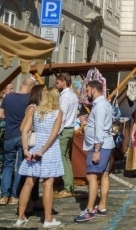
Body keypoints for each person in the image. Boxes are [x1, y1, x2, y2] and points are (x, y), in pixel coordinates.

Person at [15, 87, 64, 228]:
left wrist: (25, 149)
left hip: (35, 147)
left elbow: (24, 130)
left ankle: (20, 217)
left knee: (28, 183)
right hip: (50, 149)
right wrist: (43, 150)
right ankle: (48, 219)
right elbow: (54, 134)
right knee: (48, 184)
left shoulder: (35, 111)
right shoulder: (57, 113)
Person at [74, 80, 116, 223]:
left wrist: (97, 149)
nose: (86, 93)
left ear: (93, 89)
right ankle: (101, 206)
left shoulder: (99, 107)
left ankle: (90, 209)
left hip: (100, 144)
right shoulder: (103, 104)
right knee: (104, 175)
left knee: (91, 176)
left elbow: (99, 129)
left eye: (87, 90)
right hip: (105, 143)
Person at [0, 77, 35, 205]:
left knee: (7, 165)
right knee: (20, 165)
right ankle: (14, 195)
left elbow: (1, 115)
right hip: (22, 135)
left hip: (9, 134)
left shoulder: (8, 97)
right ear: (31, 87)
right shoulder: (29, 100)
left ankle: (4, 195)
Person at [18, 84, 45, 212]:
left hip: (33, 145)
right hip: (30, 145)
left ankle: (33, 201)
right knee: (29, 176)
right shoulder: (33, 108)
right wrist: (34, 128)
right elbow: (23, 127)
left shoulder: (36, 108)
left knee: (34, 175)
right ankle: (27, 204)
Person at [54, 73, 79, 199]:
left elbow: (61, 117)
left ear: (63, 82)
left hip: (64, 129)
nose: (56, 84)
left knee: (62, 158)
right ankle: (68, 186)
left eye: (57, 82)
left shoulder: (65, 97)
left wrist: (56, 132)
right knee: (65, 158)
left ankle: (68, 187)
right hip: (70, 128)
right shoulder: (73, 95)